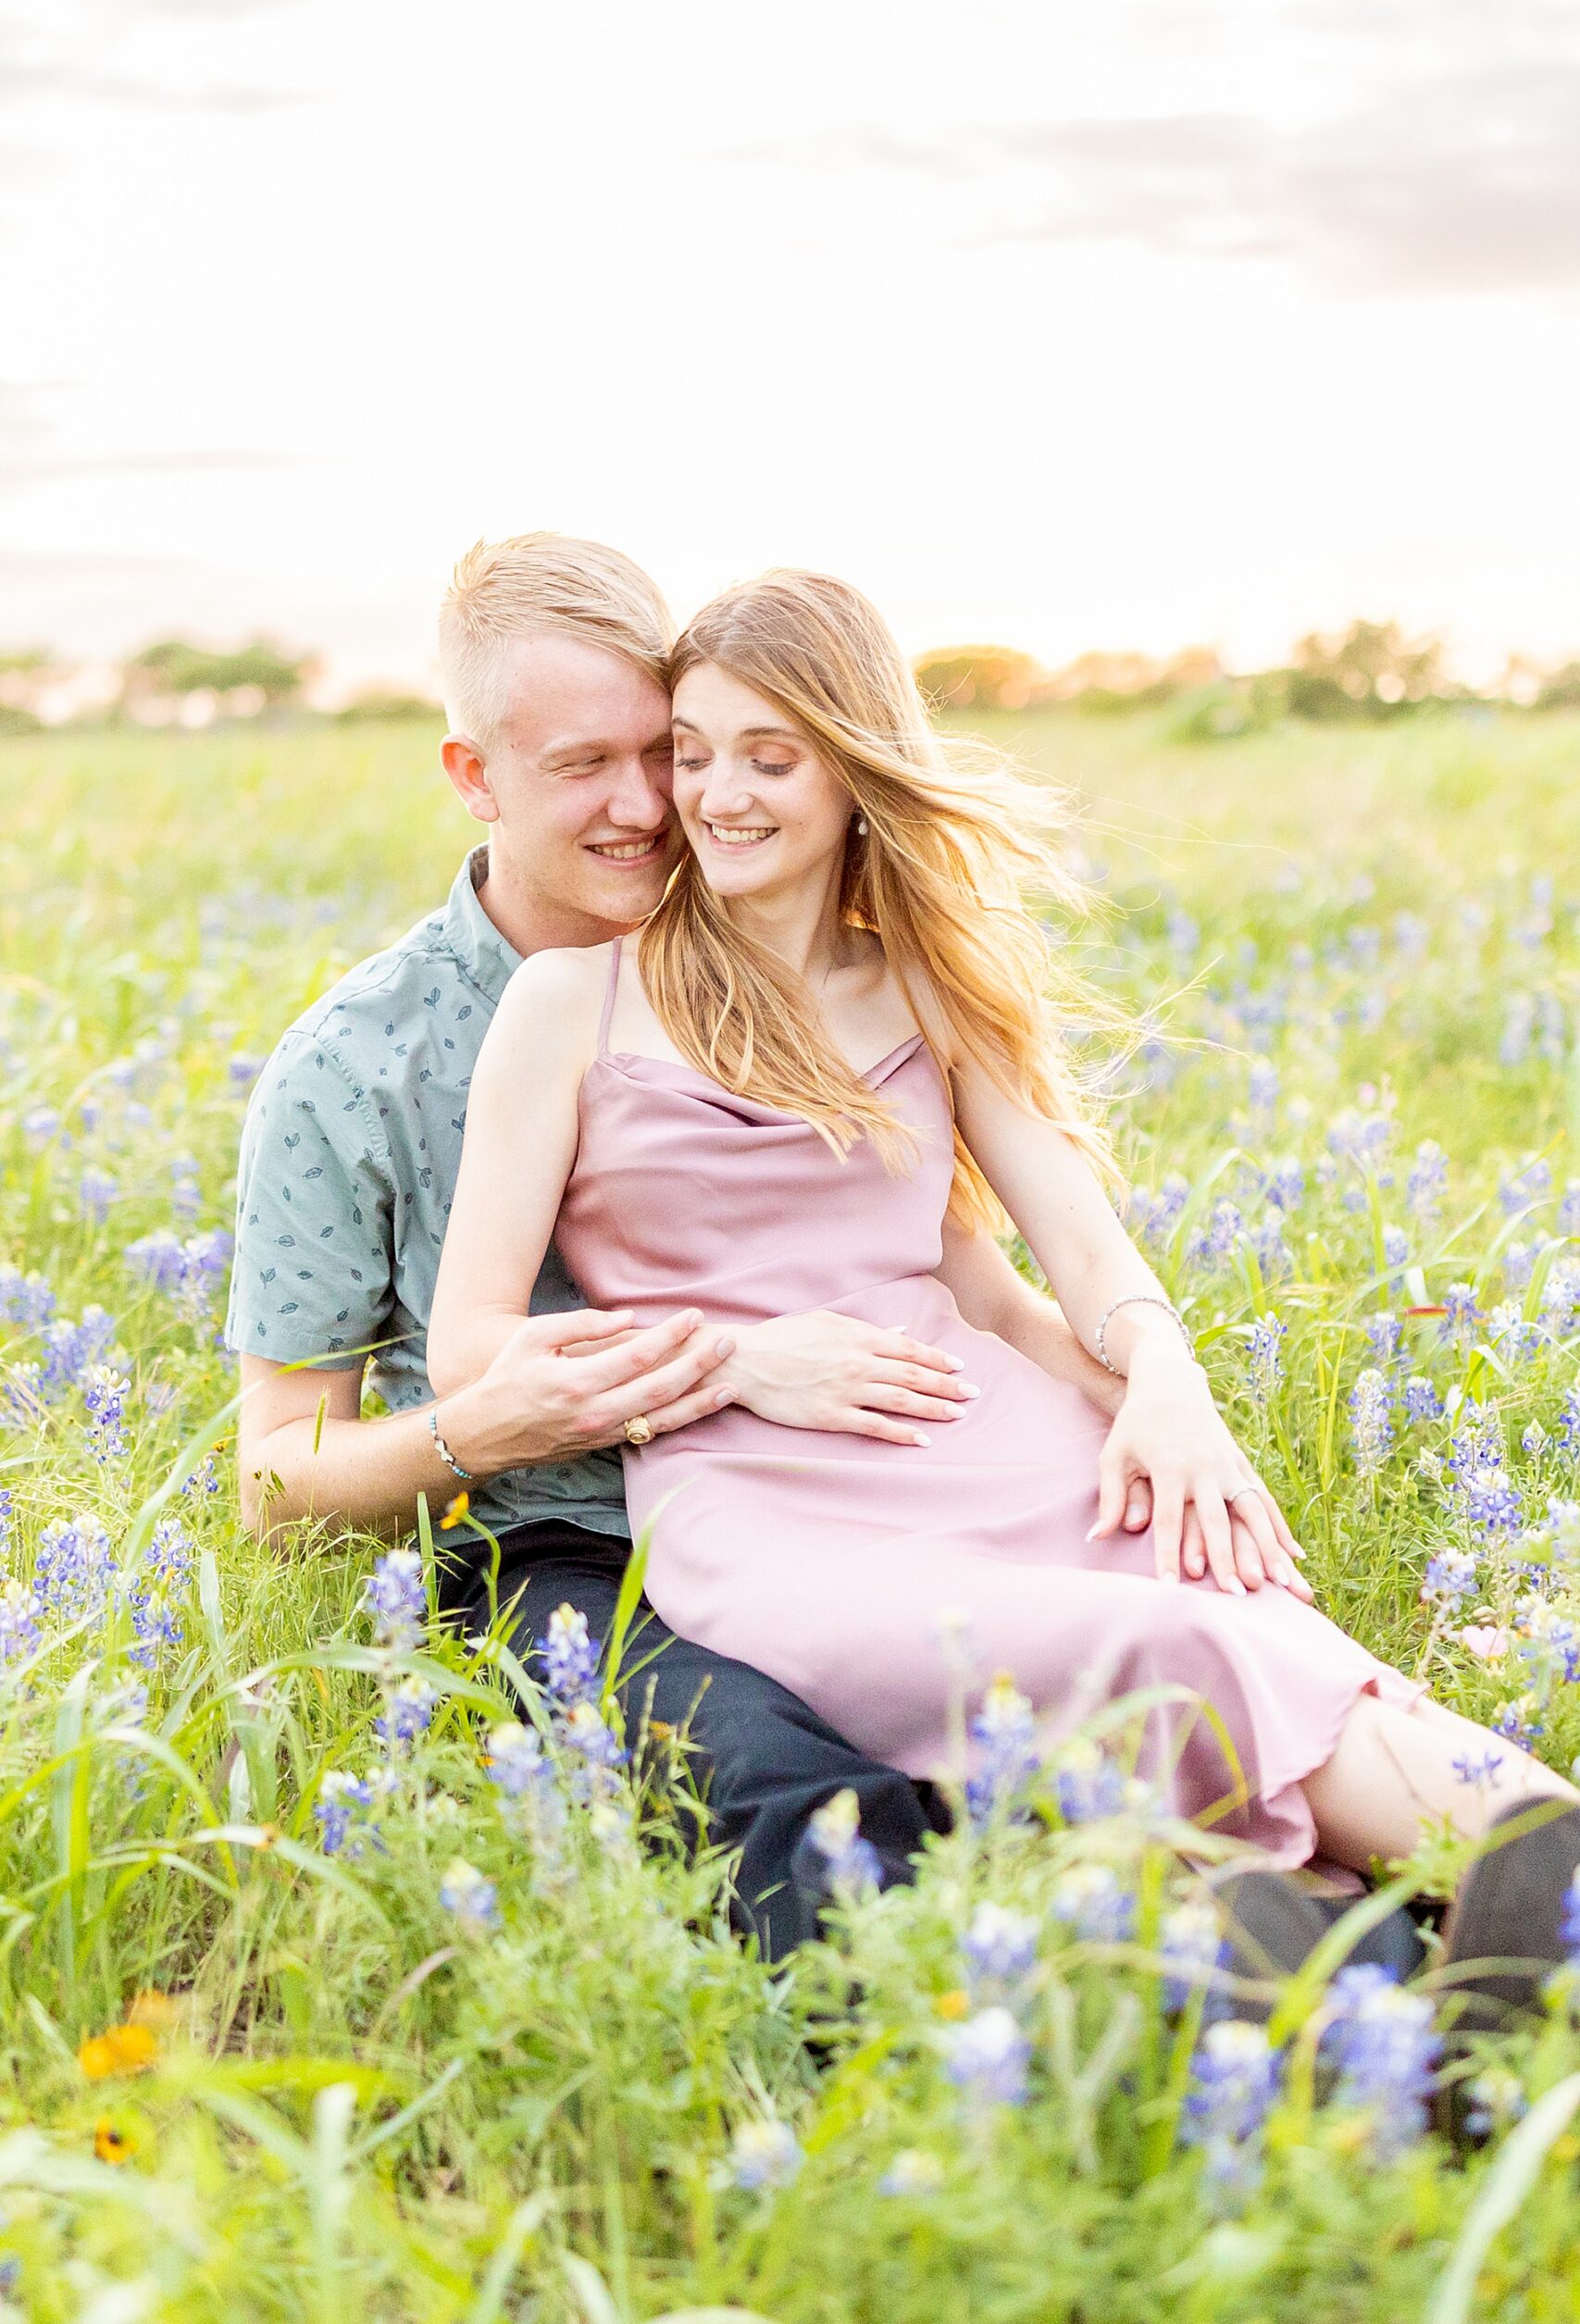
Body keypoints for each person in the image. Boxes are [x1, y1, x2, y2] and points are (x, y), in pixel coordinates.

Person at [428, 566, 1580, 1999]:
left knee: (1248, 1610)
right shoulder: (575, 999)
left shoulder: (923, 984)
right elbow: (471, 1353)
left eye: (768, 758)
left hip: (1003, 1437)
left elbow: (1080, 1248)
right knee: (1147, 1641)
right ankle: (1484, 1892)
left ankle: (1438, 1940)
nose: (712, 796)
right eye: (695, 753)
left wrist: (1166, 1389)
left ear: (854, 772)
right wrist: (732, 1361)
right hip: (761, 1500)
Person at [226, 533, 1134, 1959]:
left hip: (858, 1490)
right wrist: (471, 1434)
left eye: (670, 749)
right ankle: (1043, 2052)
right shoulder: (356, 1068)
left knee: (1104, 1707)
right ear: (475, 777)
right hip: (574, 1544)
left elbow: (961, 1273)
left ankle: (1359, 1953)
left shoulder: (797, 957)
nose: (653, 806)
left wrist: (1157, 1409)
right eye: (586, 765)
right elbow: (277, 1477)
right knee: (800, 1801)